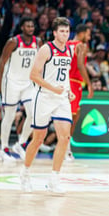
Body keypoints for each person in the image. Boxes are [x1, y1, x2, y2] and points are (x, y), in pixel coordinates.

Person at [20, 17, 74, 194]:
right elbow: (34, 75)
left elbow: (64, 75)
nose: (65, 34)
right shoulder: (46, 49)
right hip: (43, 96)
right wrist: (53, 89)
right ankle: (25, 173)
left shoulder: (70, 50)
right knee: (38, 139)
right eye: (62, 31)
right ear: (55, 32)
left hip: (61, 98)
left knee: (65, 138)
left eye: (67, 31)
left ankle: (54, 179)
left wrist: (69, 90)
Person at [0, 17, 42, 161]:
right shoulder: (13, 42)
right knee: (9, 115)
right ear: (22, 28)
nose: (31, 28)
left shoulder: (38, 42)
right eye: (28, 26)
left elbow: (41, 63)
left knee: (34, 114)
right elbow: (2, 63)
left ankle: (21, 143)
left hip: (28, 83)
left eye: (32, 26)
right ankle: (4, 149)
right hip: (11, 82)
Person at [65, 24, 94, 161]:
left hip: (66, 80)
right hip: (74, 82)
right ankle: (66, 149)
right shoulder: (81, 46)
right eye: (88, 34)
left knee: (73, 116)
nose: (89, 37)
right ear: (81, 33)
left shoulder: (66, 43)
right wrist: (89, 84)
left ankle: (65, 147)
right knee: (70, 118)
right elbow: (81, 65)